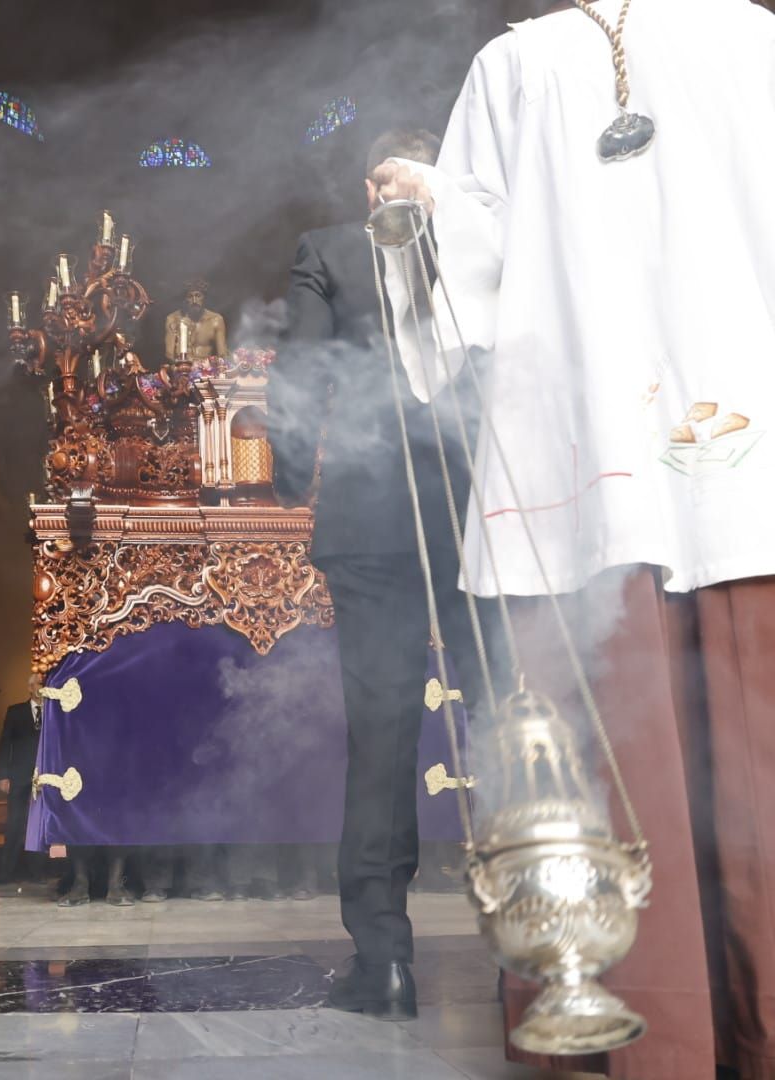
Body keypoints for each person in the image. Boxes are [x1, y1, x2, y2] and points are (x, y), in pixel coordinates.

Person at [370, 0, 775, 1074]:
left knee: (763, 762)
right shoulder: (528, 60)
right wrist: (420, 210)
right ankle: (704, 1031)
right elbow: (477, 250)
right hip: (628, 465)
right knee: (671, 747)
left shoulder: (733, 36)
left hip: (720, 460)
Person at [270, 128, 482, 1021]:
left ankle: (386, 965)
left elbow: (302, 371)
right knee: (510, 723)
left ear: (373, 189)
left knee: (383, 738)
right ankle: (537, 954)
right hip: (484, 508)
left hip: (372, 519)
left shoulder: (327, 248)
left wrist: (289, 474)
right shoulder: (485, 240)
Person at [0, 675, 43, 883]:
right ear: (30, 687)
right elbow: (5, 743)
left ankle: (38, 873)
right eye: (39, 684)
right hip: (19, 775)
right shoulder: (15, 712)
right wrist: (3, 774)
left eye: (44, 684)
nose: (42, 688)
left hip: (44, 776)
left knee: (39, 824)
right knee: (15, 823)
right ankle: (6, 872)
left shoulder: (54, 713)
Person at [162, 278, 227, 362]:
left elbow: (222, 354)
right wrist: (183, 366)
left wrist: (208, 367)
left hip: (206, 371)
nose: (194, 301)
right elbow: (169, 354)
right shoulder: (173, 319)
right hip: (181, 369)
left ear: (204, 297)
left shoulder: (216, 320)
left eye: (198, 295)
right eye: (190, 296)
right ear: (185, 299)